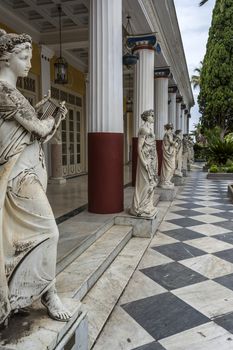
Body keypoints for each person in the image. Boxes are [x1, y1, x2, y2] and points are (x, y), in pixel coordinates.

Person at [0, 29, 71, 325]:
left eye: (30, 56)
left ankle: (19, 294)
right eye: (24, 56)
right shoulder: (3, 91)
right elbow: (39, 131)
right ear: (6, 57)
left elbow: (35, 133)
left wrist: (48, 116)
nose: (29, 62)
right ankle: (48, 292)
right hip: (17, 176)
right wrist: (51, 118)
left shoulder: (14, 93)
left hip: (27, 172)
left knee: (22, 239)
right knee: (48, 232)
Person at [130, 109, 158, 218]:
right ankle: (139, 207)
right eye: (152, 115)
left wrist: (154, 159)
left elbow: (153, 145)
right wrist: (143, 161)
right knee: (145, 183)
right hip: (145, 160)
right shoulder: (143, 129)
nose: (153, 117)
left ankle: (148, 205)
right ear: (147, 117)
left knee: (151, 182)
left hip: (151, 159)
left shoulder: (150, 129)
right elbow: (139, 147)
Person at [159, 123, 179, 188]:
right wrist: (175, 142)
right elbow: (170, 141)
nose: (172, 128)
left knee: (171, 167)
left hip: (170, 150)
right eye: (172, 127)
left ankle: (167, 180)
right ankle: (165, 181)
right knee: (169, 167)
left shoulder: (170, 133)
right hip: (168, 151)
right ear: (170, 127)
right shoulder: (168, 133)